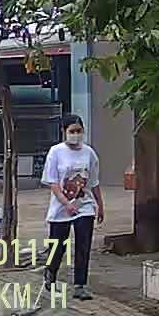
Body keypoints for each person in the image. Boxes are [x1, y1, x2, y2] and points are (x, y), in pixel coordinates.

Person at [40, 114, 104, 300]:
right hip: (61, 207)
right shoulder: (56, 152)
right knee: (58, 245)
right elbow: (53, 183)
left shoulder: (89, 153)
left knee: (83, 244)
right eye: (72, 131)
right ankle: (50, 272)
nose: (76, 135)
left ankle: (80, 285)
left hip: (84, 205)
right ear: (64, 132)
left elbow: (94, 182)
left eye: (79, 131)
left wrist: (100, 205)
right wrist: (66, 203)